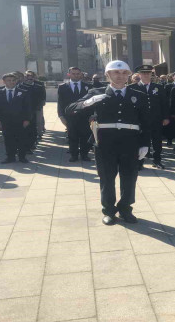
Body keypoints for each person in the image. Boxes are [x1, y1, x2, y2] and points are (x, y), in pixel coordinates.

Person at [66, 60, 150, 225]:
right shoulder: (96, 92)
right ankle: (109, 211)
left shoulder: (138, 95)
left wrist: (145, 143)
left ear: (129, 75)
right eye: (116, 73)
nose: (120, 76)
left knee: (129, 177)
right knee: (107, 178)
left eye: (124, 73)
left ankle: (126, 209)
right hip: (105, 143)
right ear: (108, 75)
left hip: (130, 142)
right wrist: (89, 102)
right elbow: (70, 109)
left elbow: (146, 122)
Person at [130, 64, 169, 170]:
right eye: (143, 73)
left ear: (151, 74)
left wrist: (166, 117)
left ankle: (157, 161)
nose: (146, 75)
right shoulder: (132, 88)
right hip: (140, 121)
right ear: (139, 74)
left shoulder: (158, 87)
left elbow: (164, 103)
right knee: (142, 141)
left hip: (156, 119)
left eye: (148, 73)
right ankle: (139, 161)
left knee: (157, 142)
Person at [0, 73, 32, 164]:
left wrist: (27, 119)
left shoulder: (23, 92)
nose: (11, 82)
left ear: (16, 81)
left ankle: (22, 157)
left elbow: (28, 107)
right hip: (5, 121)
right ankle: (10, 157)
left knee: (21, 139)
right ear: (4, 82)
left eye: (13, 80)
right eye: (9, 80)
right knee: (8, 139)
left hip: (20, 120)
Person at [58, 67, 92, 161]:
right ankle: (74, 155)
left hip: (85, 116)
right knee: (72, 136)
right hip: (70, 116)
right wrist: (61, 116)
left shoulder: (88, 86)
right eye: (73, 73)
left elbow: (92, 102)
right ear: (69, 74)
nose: (76, 75)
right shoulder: (63, 87)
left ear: (81, 74)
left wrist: (92, 115)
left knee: (85, 135)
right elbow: (60, 103)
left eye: (78, 74)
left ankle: (84, 154)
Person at [25, 70, 47, 140]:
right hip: (27, 106)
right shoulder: (23, 84)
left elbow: (43, 95)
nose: (30, 77)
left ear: (34, 76)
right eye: (28, 76)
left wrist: (42, 104)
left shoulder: (39, 84)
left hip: (37, 105)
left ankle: (39, 133)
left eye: (31, 76)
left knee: (39, 120)